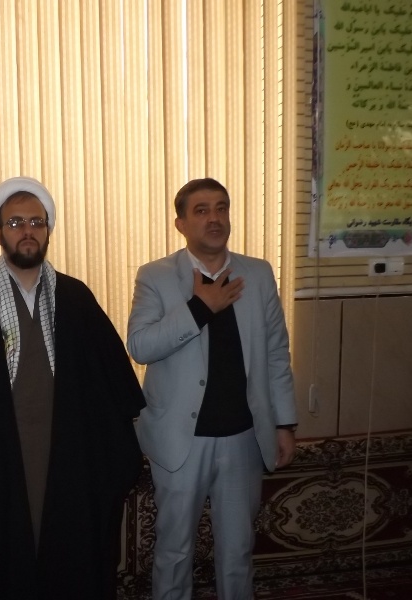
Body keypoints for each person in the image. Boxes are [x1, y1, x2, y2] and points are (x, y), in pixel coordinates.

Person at [0, 176, 145, 600]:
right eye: (15, 223)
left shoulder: (77, 299)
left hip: (71, 466)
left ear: (47, 230)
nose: (27, 231)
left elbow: (114, 389)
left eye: (36, 222)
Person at [127, 178, 297, 600]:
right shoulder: (156, 276)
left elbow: (276, 352)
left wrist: (284, 423)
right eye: (201, 210)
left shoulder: (258, 274)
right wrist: (200, 308)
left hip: (244, 437)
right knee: (174, 550)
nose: (214, 218)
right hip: (180, 441)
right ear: (181, 224)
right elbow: (140, 346)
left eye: (221, 207)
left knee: (238, 550)